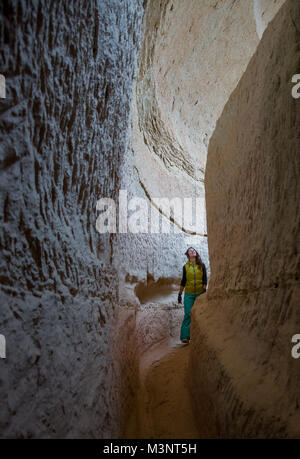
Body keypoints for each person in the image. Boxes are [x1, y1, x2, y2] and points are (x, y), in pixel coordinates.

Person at [178, 247, 207, 344]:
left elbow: (205, 279)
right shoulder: (185, 267)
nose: (192, 251)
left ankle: (202, 335)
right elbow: (183, 281)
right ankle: (185, 337)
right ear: (188, 254)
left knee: (201, 314)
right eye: (190, 250)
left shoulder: (201, 265)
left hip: (200, 293)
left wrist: (204, 290)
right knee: (188, 314)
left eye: (193, 250)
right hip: (189, 294)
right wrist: (180, 293)